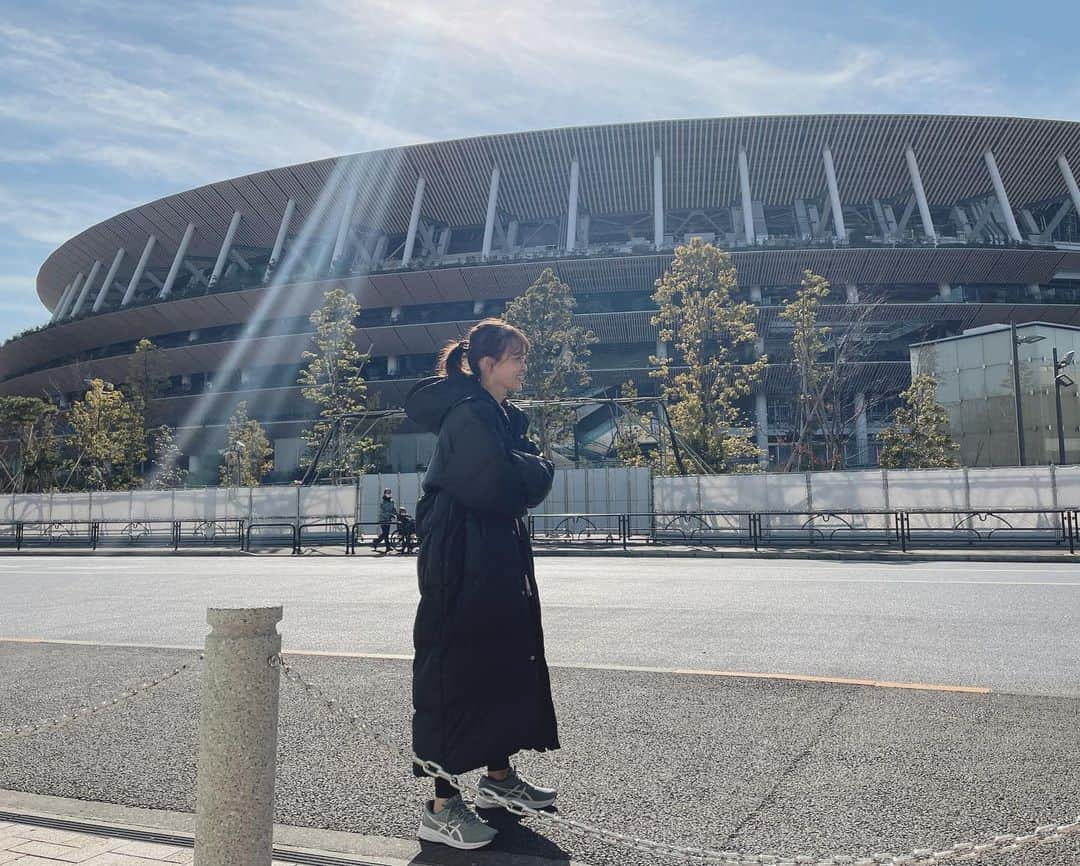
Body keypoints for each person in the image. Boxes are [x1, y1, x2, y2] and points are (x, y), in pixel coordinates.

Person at [405, 318, 558, 850]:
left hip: (490, 550)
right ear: (489, 364)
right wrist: (533, 470)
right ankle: (441, 805)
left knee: (501, 658)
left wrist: (529, 470)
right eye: (516, 357)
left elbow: (523, 476)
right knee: (458, 666)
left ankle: (498, 781)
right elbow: (505, 485)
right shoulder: (469, 413)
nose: (522, 367)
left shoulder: (500, 414)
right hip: (462, 557)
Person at [372, 488, 396, 553]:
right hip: (383, 520)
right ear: (384, 494)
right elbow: (382, 512)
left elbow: (393, 509)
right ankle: (387, 547)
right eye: (387, 493)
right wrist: (390, 514)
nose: (388, 494)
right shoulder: (382, 502)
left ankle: (376, 541)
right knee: (385, 533)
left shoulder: (392, 501)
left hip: (388, 520)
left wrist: (396, 514)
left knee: (386, 534)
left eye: (389, 493)